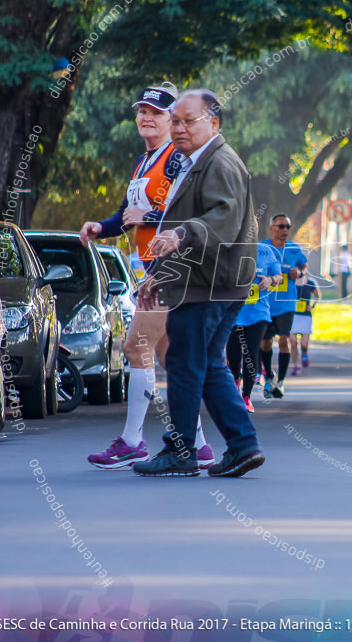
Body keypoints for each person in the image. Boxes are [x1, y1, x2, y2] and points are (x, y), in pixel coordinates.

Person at [79, 83, 215, 470]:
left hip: (174, 268)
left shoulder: (177, 157)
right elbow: (125, 216)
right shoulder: (145, 162)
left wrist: (152, 219)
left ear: (173, 119)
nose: (146, 118)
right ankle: (201, 446)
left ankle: (132, 441)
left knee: (135, 347)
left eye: (155, 112)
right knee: (172, 359)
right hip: (153, 268)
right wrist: (98, 228)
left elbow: (194, 212)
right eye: (141, 111)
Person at [132, 89, 264, 478]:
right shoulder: (197, 161)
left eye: (190, 121)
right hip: (210, 281)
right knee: (207, 364)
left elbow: (222, 217)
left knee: (185, 365)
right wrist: (160, 272)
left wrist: (180, 234)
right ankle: (243, 446)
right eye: (176, 120)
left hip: (208, 284)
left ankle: (181, 451)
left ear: (214, 122)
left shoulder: (219, 162)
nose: (180, 128)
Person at [226, 242, 281, 411]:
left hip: (258, 313)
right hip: (233, 313)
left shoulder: (265, 251)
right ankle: (235, 380)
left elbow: (279, 276)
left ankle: (246, 396)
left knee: (251, 353)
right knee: (234, 356)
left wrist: (271, 279)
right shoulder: (228, 247)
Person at [259, 214, 308, 399]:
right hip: (266, 303)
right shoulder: (262, 248)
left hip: (287, 303)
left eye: (288, 226)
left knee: (284, 339)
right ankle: (269, 375)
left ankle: (280, 382)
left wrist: (299, 272)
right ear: (272, 228)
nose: (285, 230)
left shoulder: (295, 249)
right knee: (265, 343)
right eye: (281, 226)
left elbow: (304, 265)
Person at [290, 276, 320, 375]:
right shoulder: (291, 281)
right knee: (293, 342)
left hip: (305, 316)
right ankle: (296, 365)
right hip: (293, 315)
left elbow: (317, 296)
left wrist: (312, 305)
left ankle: (304, 354)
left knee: (304, 343)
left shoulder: (310, 283)